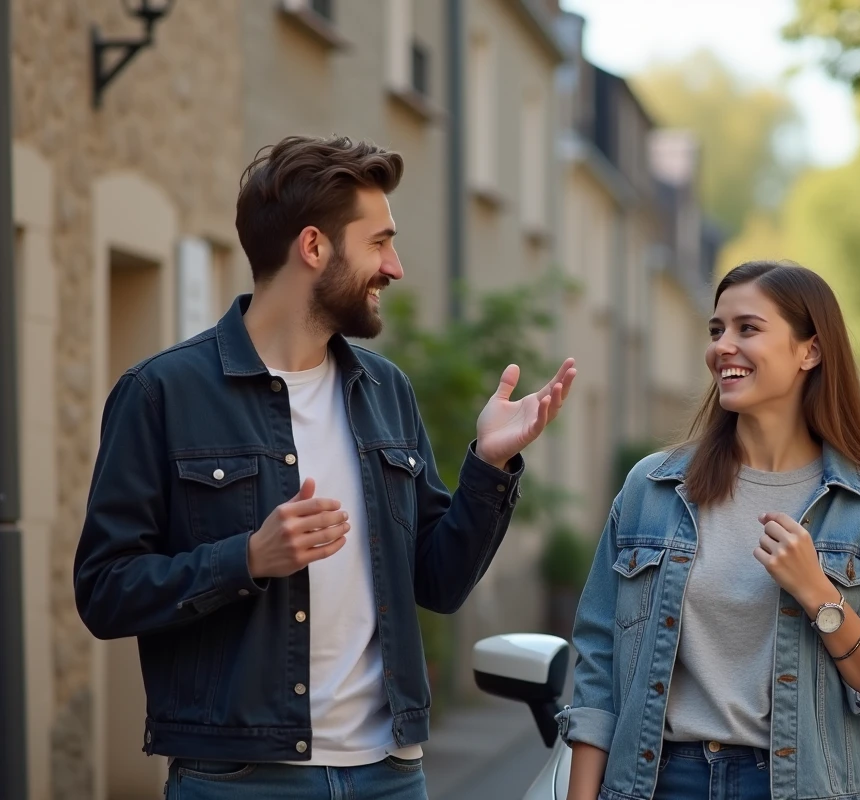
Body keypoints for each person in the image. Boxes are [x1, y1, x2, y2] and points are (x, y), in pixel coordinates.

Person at [73, 134, 576, 800]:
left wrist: (490, 464)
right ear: (313, 247)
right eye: (379, 243)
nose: (395, 267)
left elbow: (439, 582)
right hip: (240, 782)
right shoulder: (161, 393)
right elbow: (105, 590)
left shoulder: (386, 390)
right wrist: (247, 559)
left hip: (391, 775)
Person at [558, 261, 860, 800]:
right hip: (659, 783)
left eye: (748, 328)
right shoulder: (653, 489)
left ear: (810, 351)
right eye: (717, 330)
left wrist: (820, 596)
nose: (723, 347)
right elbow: (599, 663)